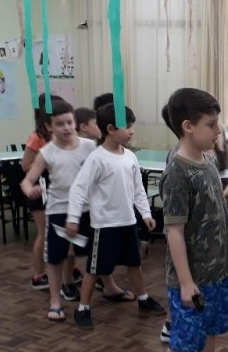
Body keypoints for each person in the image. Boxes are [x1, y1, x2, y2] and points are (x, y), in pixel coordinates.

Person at [146, 88, 228, 352]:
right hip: (192, 280)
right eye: (211, 125)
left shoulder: (208, 160)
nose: (218, 131)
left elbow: (218, 212)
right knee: (184, 342)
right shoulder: (177, 171)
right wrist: (186, 283)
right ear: (188, 126)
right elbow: (173, 231)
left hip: (216, 271)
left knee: (209, 332)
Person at [66, 103, 165, 330]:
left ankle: (143, 299)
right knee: (95, 269)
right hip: (104, 225)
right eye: (127, 127)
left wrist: (146, 214)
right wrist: (73, 218)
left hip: (128, 222)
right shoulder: (97, 158)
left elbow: (138, 189)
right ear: (110, 129)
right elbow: (79, 189)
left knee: (134, 263)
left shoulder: (130, 157)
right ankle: (83, 308)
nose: (132, 131)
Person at [20, 98, 95, 320]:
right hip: (58, 209)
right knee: (55, 257)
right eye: (60, 124)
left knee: (92, 253)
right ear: (49, 126)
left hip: (87, 209)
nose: (66, 128)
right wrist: (30, 190)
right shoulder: (47, 152)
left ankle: (88, 297)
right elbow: (27, 180)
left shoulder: (89, 146)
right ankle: (55, 301)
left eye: (70, 122)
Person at [73, 106, 127, 301]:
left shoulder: (94, 147)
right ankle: (71, 287)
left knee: (96, 251)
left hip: (94, 208)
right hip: (77, 207)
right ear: (84, 127)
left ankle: (108, 285)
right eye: (96, 123)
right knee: (75, 250)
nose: (100, 127)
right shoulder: (85, 149)